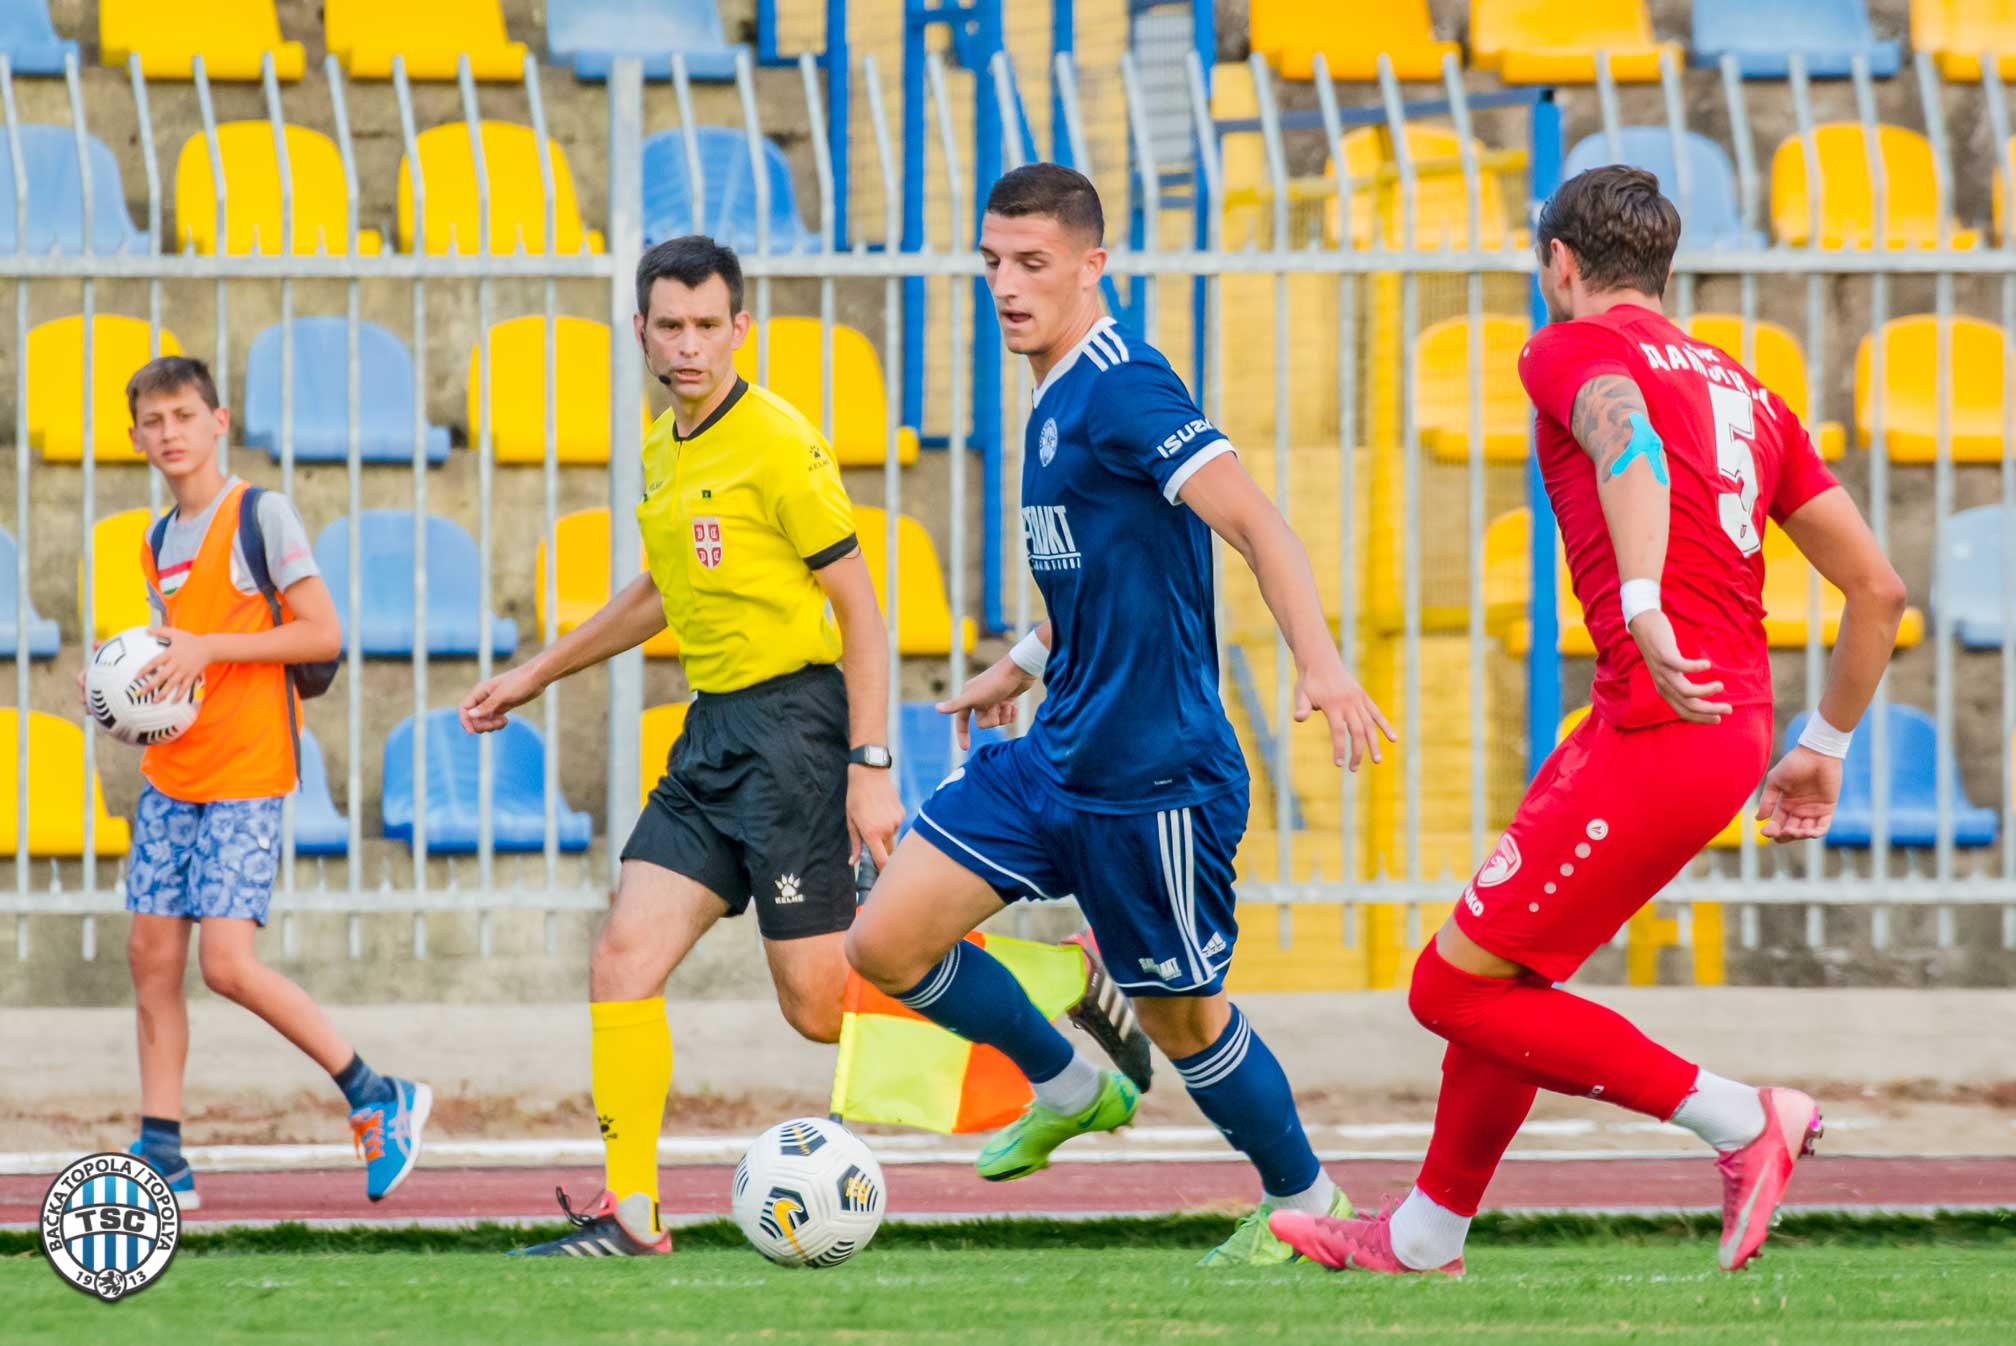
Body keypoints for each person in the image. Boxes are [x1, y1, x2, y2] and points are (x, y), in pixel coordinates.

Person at [1271, 166, 1909, 1276]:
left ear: (1557, 263)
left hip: (1661, 723)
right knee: (1503, 977)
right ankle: (1425, 1233)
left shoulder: (1565, 347)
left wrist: (1647, 598)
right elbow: (1880, 591)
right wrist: (1825, 744)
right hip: (1716, 725)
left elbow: (1629, 448)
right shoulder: (1748, 390)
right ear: (1665, 269)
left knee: (1448, 987)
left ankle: (1741, 1117)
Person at [843, 163, 1398, 1267]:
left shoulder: (1123, 386)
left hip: (1153, 776)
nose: (1006, 284)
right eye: (993, 262)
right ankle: (1066, 1081)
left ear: (1094, 266)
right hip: (1057, 752)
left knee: (1183, 1020)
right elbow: (1107, 569)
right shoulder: (1052, 392)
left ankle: (1309, 1198)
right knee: (885, 938)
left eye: (1033, 263)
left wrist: (1324, 664)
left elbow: (1255, 522)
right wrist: (1023, 662)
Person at [459, 236, 909, 1257]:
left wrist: (869, 764)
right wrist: (537, 669)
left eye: (710, 325)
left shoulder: (780, 443)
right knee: (622, 956)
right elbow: (661, 590)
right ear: (642, 332)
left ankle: (1041, 1007)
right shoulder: (665, 444)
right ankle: (631, 1213)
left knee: (819, 1007)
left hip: (797, 729)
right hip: (713, 733)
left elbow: (863, 610)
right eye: (672, 326)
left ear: (740, 328)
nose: (690, 345)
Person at [112, 356, 430, 1208]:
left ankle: (375, 1093)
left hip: (249, 772)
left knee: (225, 962)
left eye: (185, 415)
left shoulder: (261, 513)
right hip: (172, 772)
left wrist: (210, 649)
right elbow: (173, 658)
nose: (170, 433)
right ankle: (163, 1151)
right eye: (154, 421)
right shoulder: (155, 540)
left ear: (219, 422)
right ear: (136, 437)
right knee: (150, 957)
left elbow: (322, 634)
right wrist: (120, 690)